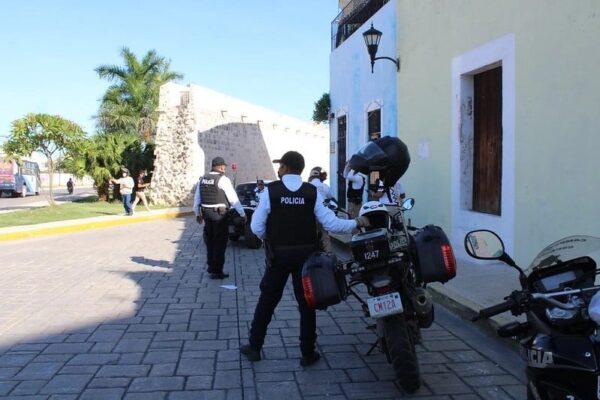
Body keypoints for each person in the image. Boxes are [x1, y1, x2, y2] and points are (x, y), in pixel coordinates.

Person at [240, 151, 370, 366]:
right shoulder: (311, 192)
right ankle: (308, 353)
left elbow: (256, 227)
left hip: (278, 256)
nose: (278, 169)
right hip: (306, 257)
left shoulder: (271, 192)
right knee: (307, 304)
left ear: (287, 168)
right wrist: (358, 223)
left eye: (281, 166)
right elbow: (332, 224)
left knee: (267, 301)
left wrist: (270, 240)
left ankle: (254, 347)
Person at [193, 156, 246, 279]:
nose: (224, 169)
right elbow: (233, 199)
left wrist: (197, 214)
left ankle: (211, 266)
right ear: (221, 167)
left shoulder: (202, 179)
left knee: (210, 241)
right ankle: (217, 271)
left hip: (206, 214)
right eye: (224, 167)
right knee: (220, 243)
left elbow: (197, 199)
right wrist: (242, 214)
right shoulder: (223, 179)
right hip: (219, 216)